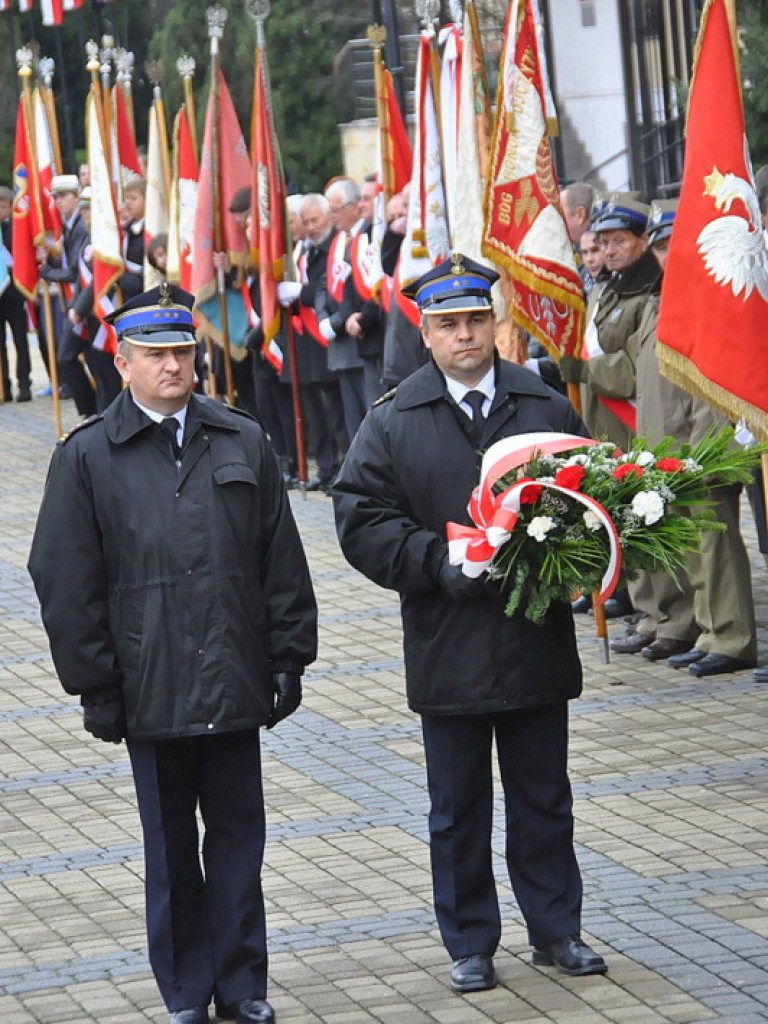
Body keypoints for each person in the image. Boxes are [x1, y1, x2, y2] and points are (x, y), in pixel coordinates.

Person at [28, 283, 318, 1024]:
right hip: (148, 685)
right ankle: (188, 988)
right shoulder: (90, 455)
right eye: (154, 355)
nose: (172, 366)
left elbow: (279, 558)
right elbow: (64, 579)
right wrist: (95, 683)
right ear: (121, 364)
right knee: (169, 850)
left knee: (237, 844)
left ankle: (243, 985)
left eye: (182, 351)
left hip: (234, 677)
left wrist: (289, 656)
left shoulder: (241, 437)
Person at [333, 254, 607, 994]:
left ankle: (558, 930)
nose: (465, 336)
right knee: (457, 808)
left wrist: (574, 563)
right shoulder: (393, 419)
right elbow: (360, 518)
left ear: (496, 323)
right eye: (448, 325)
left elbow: (596, 491)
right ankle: (471, 940)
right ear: (425, 334)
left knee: (544, 797)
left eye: (476, 321)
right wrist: (433, 562)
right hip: (447, 641)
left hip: (533, 640)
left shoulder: (542, 404)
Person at [0, 184, 32, 402]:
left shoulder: (16, 229)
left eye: (2, 207)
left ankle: (24, 384)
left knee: (20, 339)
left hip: (14, 291)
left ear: (10, 207)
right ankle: (4, 386)